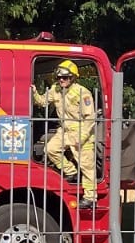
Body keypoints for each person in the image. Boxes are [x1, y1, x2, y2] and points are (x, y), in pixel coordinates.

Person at [33, 58, 98, 207]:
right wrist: (35, 92)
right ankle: (70, 171)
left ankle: (90, 198)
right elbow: (42, 102)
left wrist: (81, 137)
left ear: (73, 78)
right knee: (50, 149)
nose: (61, 80)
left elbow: (90, 118)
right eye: (59, 77)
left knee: (87, 166)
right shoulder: (55, 89)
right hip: (65, 131)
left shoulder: (82, 93)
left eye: (65, 77)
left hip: (82, 133)